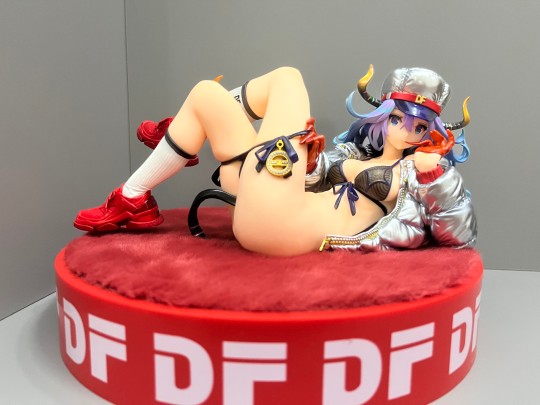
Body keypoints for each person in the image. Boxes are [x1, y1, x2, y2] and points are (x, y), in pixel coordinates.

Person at [74, 66, 477, 256]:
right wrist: (312, 165)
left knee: (289, 78)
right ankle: (133, 197)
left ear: (431, 132)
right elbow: (314, 181)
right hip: (265, 208)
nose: (406, 131)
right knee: (205, 95)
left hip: (286, 231)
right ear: (381, 117)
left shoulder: (423, 173)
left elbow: (459, 234)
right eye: (397, 119)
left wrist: (436, 175)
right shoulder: (354, 153)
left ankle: (181, 137)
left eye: (419, 127)